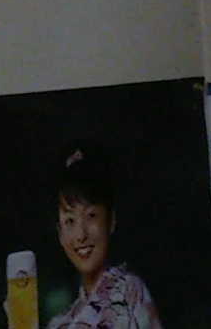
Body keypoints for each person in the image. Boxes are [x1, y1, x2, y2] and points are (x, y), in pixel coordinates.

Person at [46, 141, 163, 329]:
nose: (81, 235)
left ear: (111, 221)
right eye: (69, 221)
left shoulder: (129, 291)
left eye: (91, 216)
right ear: (60, 233)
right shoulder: (60, 322)